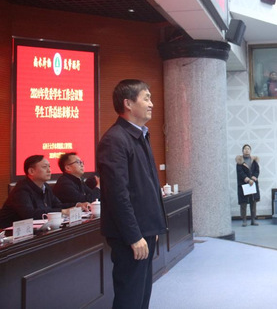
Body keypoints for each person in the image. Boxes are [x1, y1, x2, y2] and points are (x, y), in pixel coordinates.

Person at [97, 79, 167, 309]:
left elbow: (146, 186)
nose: (151, 104)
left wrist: (153, 228)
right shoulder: (115, 140)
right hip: (131, 236)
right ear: (128, 103)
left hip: (144, 230)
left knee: (141, 296)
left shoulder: (140, 135)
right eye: (146, 98)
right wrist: (134, 236)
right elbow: (118, 195)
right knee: (130, 298)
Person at [0, 155, 85, 229]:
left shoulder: (46, 187)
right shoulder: (21, 190)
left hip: (35, 231)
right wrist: (63, 211)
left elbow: (57, 205)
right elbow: (30, 214)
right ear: (31, 171)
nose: (49, 170)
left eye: (49, 167)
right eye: (44, 167)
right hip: (11, 234)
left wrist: (77, 205)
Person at [236, 144, 260, 226]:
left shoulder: (254, 161)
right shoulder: (239, 161)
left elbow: (257, 170)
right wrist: (247, 179)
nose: (247, 150)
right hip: (243, 184)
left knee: (253, 202)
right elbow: (240, 172)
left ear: (250, 150)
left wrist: (254, 177)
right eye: (245, 149)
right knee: (243, 203)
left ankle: (253, 220)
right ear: (242, 151)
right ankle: (244, 220)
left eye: (248, 149)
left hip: (252, 184)